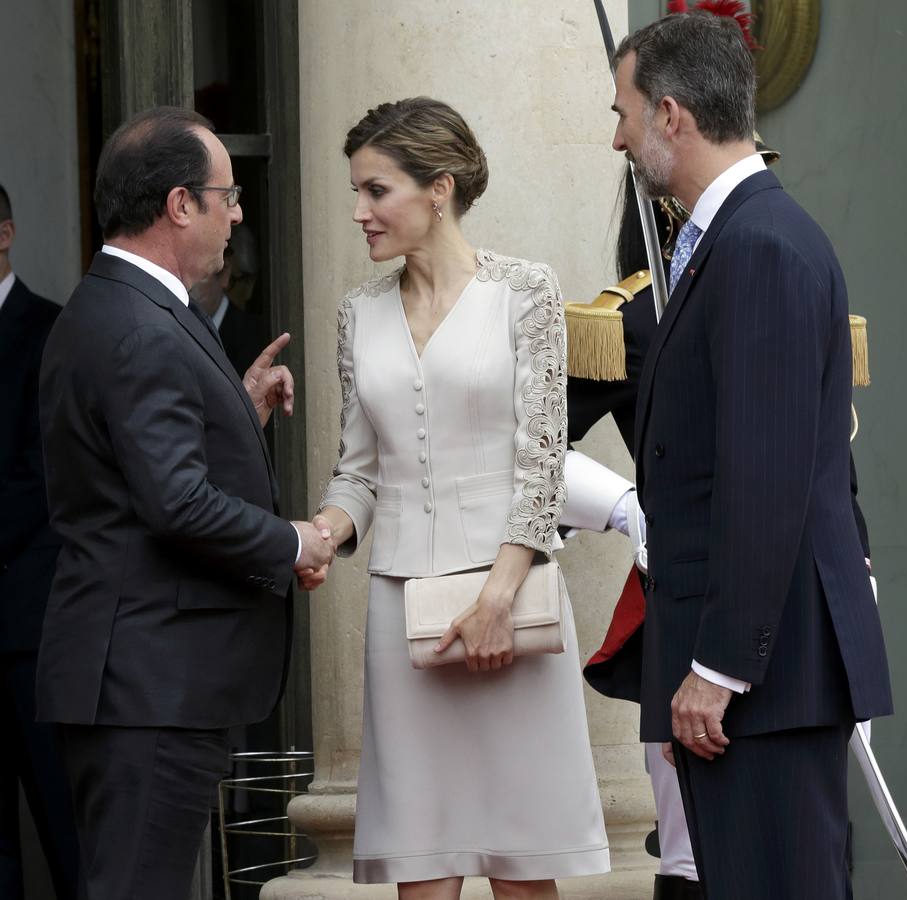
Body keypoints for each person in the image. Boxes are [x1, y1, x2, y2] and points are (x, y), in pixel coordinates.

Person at [610, 13, 892, 899]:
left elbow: (763, 479)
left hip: (760, 684)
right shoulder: (730, 241)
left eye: (621, 110)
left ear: (669, 115)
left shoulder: (760, 246)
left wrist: (719, 667)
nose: (613, 133)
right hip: (756, 684)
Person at [311, 96, 608, 900]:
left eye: (376, 190)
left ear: (438, 188)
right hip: (402, 617)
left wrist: (498, 597)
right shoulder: (356, 315)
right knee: (423, 872)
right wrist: (324, 531)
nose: (359, 212)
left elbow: (543, 456)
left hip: (515, 605)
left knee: (520, 872)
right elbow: (359, 471)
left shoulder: (527, 292)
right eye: (357, 192)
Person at [36, 106, 332, 900]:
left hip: (140, 679)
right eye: (226, 196)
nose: (238, 213)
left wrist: (235, 410)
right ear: (179, 204)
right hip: (149, 683)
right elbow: (174, 503)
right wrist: (291, 542)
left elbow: (134, 469)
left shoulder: (117, 305)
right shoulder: (142, 325)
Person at [0, 183, 81, 899]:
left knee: (62, 821)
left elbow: (43, 473)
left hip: (28, 623)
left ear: (6, 234)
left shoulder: (48, 328)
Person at [189, 240, 268, 378]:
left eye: (199, 275)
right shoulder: (171, 328)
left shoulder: (255, 338)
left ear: (225, 273)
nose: (186, 286)